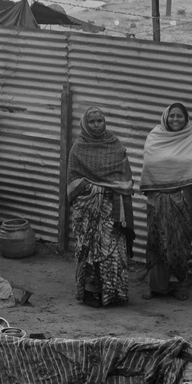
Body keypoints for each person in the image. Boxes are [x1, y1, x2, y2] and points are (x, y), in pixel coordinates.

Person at [141, 102, 192, 298]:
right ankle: (155, 284)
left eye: (179, 116)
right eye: (172, 116)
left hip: (182, 198)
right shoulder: (155, 137)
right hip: (156, 198)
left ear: (186, 118)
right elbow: (150, 164)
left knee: (179, 241)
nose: (175, 119)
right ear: (166, 117)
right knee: (155, 240)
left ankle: (177, 283)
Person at [66, 107, 135, 306]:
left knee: (112, 251)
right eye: (92, 122)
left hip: (112, 210)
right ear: (85, 125)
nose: (96, 125)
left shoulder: (115, 145)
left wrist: (111, 189)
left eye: (100, 121)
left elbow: (125, 177)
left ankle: (113, 293)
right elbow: (72, 182)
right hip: (88, 211)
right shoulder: (78, 148)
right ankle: (89, 292)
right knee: (88, 251)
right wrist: (93, 190)